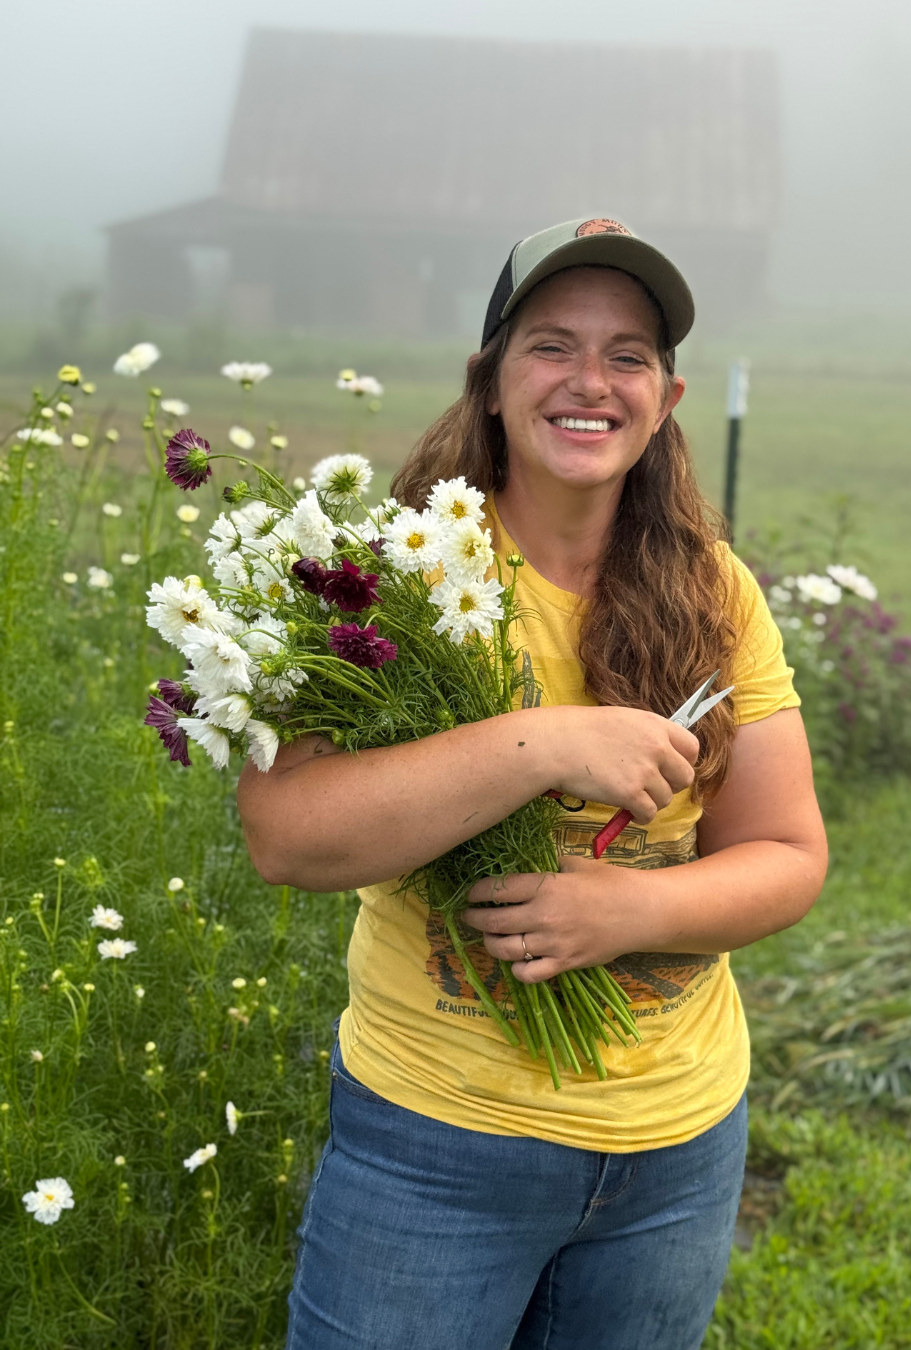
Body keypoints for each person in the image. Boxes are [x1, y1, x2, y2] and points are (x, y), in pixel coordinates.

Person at [239, 218, 828, 1350]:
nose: (591, 382)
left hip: (676, 1151)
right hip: (434, 1149)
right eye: (553, 345)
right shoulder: (384, 578)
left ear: (667, 395)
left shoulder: (715, 590)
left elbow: (788, 857)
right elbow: (288, 837)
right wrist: (549, 744)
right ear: (490, 380)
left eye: (628, 356)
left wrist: (631, 910)